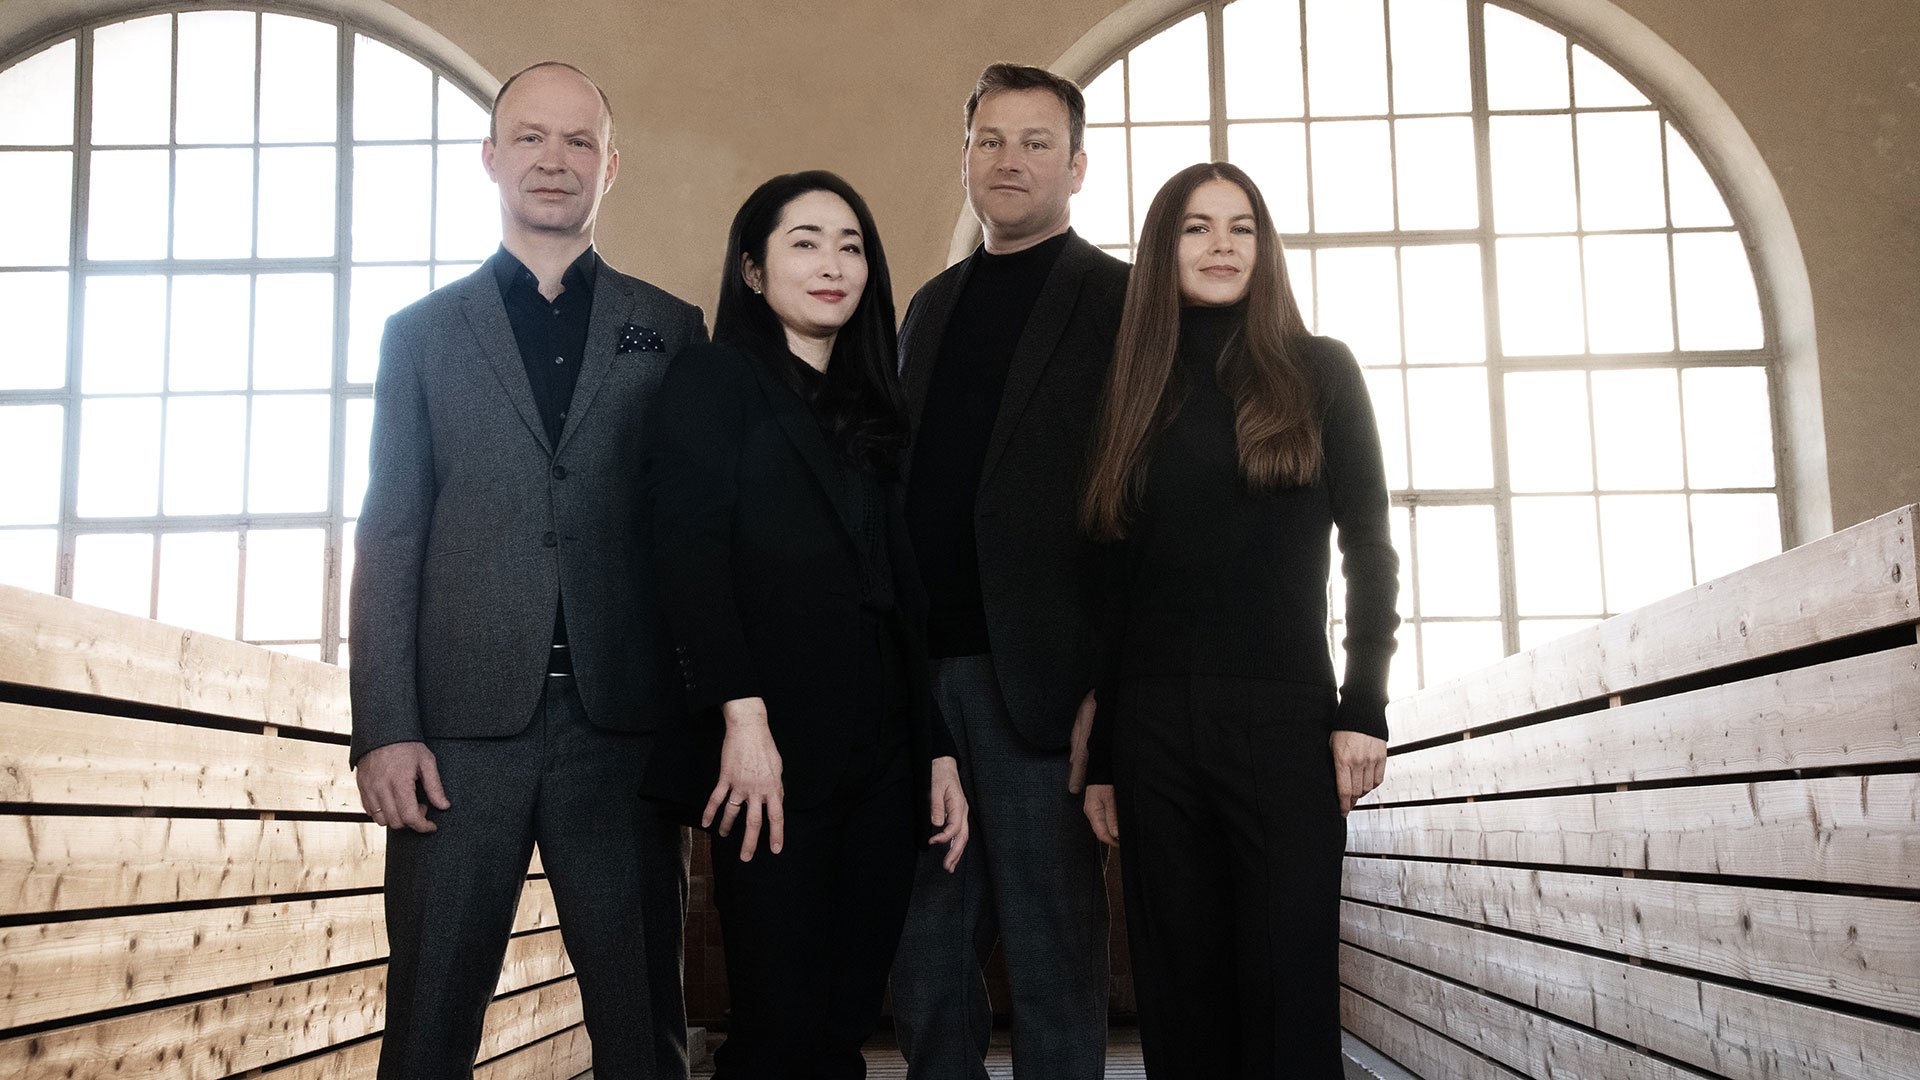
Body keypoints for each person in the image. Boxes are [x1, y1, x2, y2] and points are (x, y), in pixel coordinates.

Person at [348, 61, 706, 1080]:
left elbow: (690, 534)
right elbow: (393, 530)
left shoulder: (668, 329)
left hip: (623, 731)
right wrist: (386, 727)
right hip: (456, 738)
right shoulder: (418, 337)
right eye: (533, 138)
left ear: (611, 166)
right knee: (428, 1027)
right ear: (492, 157)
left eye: (579, 141)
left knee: (644, 1030)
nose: (556, 160)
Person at [641, 170, 971, 1080]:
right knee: (779, 1019)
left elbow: (904, 590)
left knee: (846, 1014)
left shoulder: (875, 407)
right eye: (805, 241)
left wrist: (936, 747)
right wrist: (740, 723)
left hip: (883, 746)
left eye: (851, 244)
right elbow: (689, 554)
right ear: (752, 271)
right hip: (771, 741)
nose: (833, 263)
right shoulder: (715, 379)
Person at [1078, 161, 1399, 1078]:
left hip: (1285, 717)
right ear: (1160, 248)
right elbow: (1111, 583)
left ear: (1265, 248)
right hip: (1152, 727)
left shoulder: (1319, 369)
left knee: (1287, 984)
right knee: (1179, 993)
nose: (1222, 245)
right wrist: (1105, 760)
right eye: (1196, 227)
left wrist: (1362, 706)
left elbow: (1369, 550)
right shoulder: (1127, 386)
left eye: (1241, 227)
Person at [889, 62, 1129, 1080]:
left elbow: (1141, 515)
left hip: (1049, 690)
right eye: (990, 140)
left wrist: (1107, 698)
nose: (1009, 160)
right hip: (928, 687)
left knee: (1053, 958)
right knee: (926, 962)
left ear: (1077, 166)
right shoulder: (928, 308)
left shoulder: (1124, 302)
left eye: (1036, 142)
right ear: (965, 159)